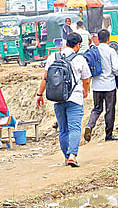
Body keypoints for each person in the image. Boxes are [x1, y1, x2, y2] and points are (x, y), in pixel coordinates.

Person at [36, 32, 91, 167]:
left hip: (57, 98)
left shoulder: (52, 57)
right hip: (75, 99)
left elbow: (45, 78)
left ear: (66, 43)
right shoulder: (79, 59)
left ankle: (66, 157)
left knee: (63, 129)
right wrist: (85, 91)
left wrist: (39, 94)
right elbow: (86, 80)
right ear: (78, 45)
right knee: (75, 128)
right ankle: (73, 155)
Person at [84, 29, 118, 142]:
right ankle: (108, 135)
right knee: (109, 110)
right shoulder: (111, 51)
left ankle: (90, 125)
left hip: (96, 86)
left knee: (97, 108)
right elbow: (115, 69)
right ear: (109, 39)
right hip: (109, 85)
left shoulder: (94, 51)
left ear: (98, 39)